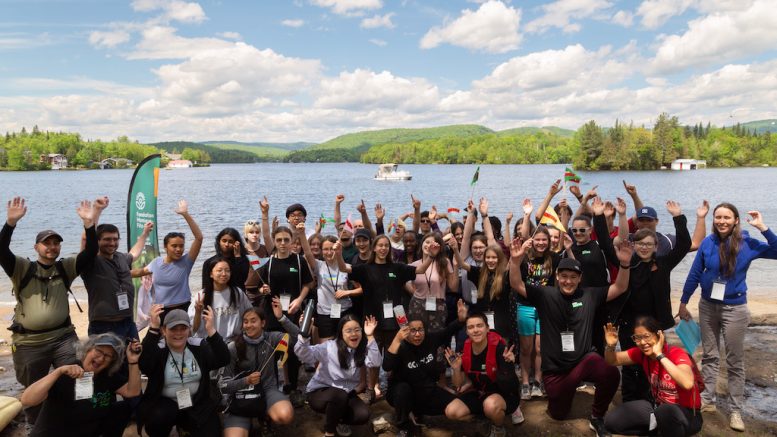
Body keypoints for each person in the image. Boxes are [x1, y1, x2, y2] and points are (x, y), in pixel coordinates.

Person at [508, 237, 634, 437]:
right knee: (558, 414)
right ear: (557, 277)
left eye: (573, 277)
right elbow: (516, 283)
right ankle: (564, 395)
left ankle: (597, 417)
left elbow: (620, 287)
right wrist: (515, 261)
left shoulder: (590, 295)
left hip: (584, 360)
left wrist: (625, 264)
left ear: (580, 278)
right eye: (564, 276)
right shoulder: (545, 295)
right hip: (556, 372)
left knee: (611, 374)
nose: (568, 281)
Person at [1, 196, 104, 424]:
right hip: (29, 342)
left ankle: (78, 417)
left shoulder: (65, 267)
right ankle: (36, 425)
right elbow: (1, 249)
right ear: (36, 247)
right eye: (46, 243)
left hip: (63, 337)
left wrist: (89, 224)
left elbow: (90, 253)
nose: (52, 247)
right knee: (33, 387)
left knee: (80, 376)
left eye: (56, 243)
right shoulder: (22, 268)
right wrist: (10, 224)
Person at [679, 204, 777, 432]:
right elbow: (694, 273)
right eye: (718, 217)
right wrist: (683, 301)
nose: (722, 221)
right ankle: (708, 400)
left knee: (734, 361)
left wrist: (763, 227)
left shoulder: (748, 244)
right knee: (710, 356)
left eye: (726, 217)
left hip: (735, 309)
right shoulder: (708, 242)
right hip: (707, 306)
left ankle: (735, 410)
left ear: (735, 220)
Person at [334, 234, 437, 403]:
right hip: (372, 323)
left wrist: (431, 255)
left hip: (395, 323)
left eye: (386, 246)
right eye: (380, 245)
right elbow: (344, 268)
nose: (383, 248)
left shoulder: (397, 268)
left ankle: (392, 386)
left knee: (393, 358)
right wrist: (338, 253)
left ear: (389, 249)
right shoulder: (365, 269)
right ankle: (371, 388)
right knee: (373, 359)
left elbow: (420, 270)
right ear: (374, 248)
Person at [615, 201, 691, 403]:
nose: (645, 247)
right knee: (630, 364)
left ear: (656, 246)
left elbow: (684, 245)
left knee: (652, 361)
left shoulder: (663, 262)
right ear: (634, 245)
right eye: (640, 244)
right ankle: (630, 402)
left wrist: (678, 217)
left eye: (649, 244)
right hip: (628, 322)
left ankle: (651, 401)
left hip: (654, 323)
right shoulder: (628, 263)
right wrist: (602, 216)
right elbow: (607, 246)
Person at [21, 333, 142, 437]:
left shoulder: (107, 376)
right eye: (99, 351)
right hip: (53, 434)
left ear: (112, 361)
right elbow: (27, 400)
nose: (100, 359)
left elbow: (133, 391)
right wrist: (57, 372)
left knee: (122, 408)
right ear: (88, 349)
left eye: (107, 356)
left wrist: (133, 361)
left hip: (84, 431)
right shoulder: (67, 372)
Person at [137, 305, 230, 437]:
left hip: (197, 402)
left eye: (183, 328)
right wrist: (153, 328)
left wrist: (211, 330)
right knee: (159, 418)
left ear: (189, 329)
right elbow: (144, 365)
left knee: (212, 432)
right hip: (166, 404)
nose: (178, 333)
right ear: (164, 330)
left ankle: (185, 428)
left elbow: (223, 359)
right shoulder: (158, 349)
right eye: (173, 329)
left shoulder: (198, 346)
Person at [603, 317, 704, 437]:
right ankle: (657, 431)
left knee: (665, 411)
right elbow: (612, 360)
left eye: (646, 336)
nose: (642, 342)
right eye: (637, 338)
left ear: (658, 335)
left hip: (687, 415)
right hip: (658, 409)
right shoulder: (641, 354)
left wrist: (660, 355)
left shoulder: (676, 353)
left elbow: (687, 383)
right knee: (611, 421)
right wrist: (610, 346)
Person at [384, 300, 471, 437]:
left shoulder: (430, 339)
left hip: (427, 391)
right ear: (406, 331)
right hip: (402, 394)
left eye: (420, 330)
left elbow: (448, 331)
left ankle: (417, 412)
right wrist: (396, 340)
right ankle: (404, 425)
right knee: (402, 389)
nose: (417, 334)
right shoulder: (400, 345)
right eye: (413, 330)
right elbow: (387, 366)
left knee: (460, 410)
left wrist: (461, 319)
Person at [220, 302, 298, 437]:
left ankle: (265, 418)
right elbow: (222, 386)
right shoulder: (233, 347)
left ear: (263, 323)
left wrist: (281, 318)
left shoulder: (273, 338)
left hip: (268, 390)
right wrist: (246, 381)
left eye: (253, 321)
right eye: (245, 322)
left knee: (285, 415)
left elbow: (298, 338)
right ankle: (246, 421)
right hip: (241, 397)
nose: (249, 325)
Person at [295, 315, 381, 437]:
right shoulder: (329, 347)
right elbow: (303, 355)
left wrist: (370, 336)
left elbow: (375, 362)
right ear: (340, 333)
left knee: (363, 414)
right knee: (339, 395)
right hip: (320, 392)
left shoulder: (362, 348)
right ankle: (329, 431)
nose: (353, 334)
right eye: (349, 330)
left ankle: (337, 419)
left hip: (346, 393)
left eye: (357, 330)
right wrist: (304, 335)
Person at [257, 224, 315, 401]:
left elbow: (308, 283)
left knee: (293, 349)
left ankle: (294, 386)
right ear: (274, 242)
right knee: (274, 350)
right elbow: (259, 286)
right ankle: (274, 385)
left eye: (286, 240)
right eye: (279, 240)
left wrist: (299, 300)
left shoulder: (299, 260)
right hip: (271, 312)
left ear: (292, 241)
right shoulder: (268, 262)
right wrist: (263, 290)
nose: (283, 243)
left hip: (293, 311)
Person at [517, 224, 575, 399]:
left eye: (544, 240)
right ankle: (525, 383)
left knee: (541, 348)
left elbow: (574, 267)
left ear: (549, 241)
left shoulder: (555, 258)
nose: (541, 243)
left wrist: (569, 249)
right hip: (525, 306)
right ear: (532, 240)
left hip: (546, 307)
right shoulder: (524, 258)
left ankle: (537, 381)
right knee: (526, 348)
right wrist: (519, 254)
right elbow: (511, 276)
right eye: (538, 239)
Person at [445, 313, 522, 437]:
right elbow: (458, 384)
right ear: (467, 331)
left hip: (503, 393)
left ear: (487, 328)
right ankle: (485, 420)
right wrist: (456, 369)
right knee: (451, 411)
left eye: (479, 326)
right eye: (471, 327)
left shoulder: (500, 348)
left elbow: (511, 386)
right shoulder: (464, 349)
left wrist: (508, 365)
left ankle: (498, 427)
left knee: (491, 406)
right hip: (480, 392)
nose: (475, 330)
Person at [81, 220, 153, 338]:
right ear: (97, 241)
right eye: (107, 239)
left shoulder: (120, 257)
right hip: (104, 325)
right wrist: (93, 216)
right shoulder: (91, 263)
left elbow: (134, 253)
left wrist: (145, 234)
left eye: (115, 239)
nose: (112, 243)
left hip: (128, 322)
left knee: (133, 356)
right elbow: (85, 244)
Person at [133, 200, 203, 316]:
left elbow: (199, 238)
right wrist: (118, 271)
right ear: (165, 247)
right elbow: (140, 272)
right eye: (174, 246)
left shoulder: (186, 262)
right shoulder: (156, 262)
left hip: (183, 308)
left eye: (181, 246)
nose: (178, 249)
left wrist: (185, 214)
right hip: (160, 311)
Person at [190, 257, 253, 339]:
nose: (224, 274)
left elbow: (250, 314)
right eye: (219, 270)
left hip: (234, 341)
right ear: (211, 274)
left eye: (227, 271)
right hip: (209, 342)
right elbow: (194, 329)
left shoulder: (237, 293)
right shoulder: (201, 296)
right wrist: (198, 312)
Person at [312, 235, 361, 341]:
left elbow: (361, 289)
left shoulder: (346, 267)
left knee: (346, 344)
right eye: (325, 249)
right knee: (326, 349)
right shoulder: (318, 265)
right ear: (321, 251)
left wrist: (347, 292)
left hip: (344, 311)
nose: (329, 252)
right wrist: (301, 234)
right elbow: (307, 253)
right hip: (324, 313)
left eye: (331, 249)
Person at [408, 233, 458, 331]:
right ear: (422, 244)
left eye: (433, 244)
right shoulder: (413, 265)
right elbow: (411, 286)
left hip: (438, 304)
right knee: (417, 336)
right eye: (427, 242)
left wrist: (456, 266)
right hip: (417, 304)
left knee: (437, 337)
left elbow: (454, 288)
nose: (429, 246)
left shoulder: (444, 262)